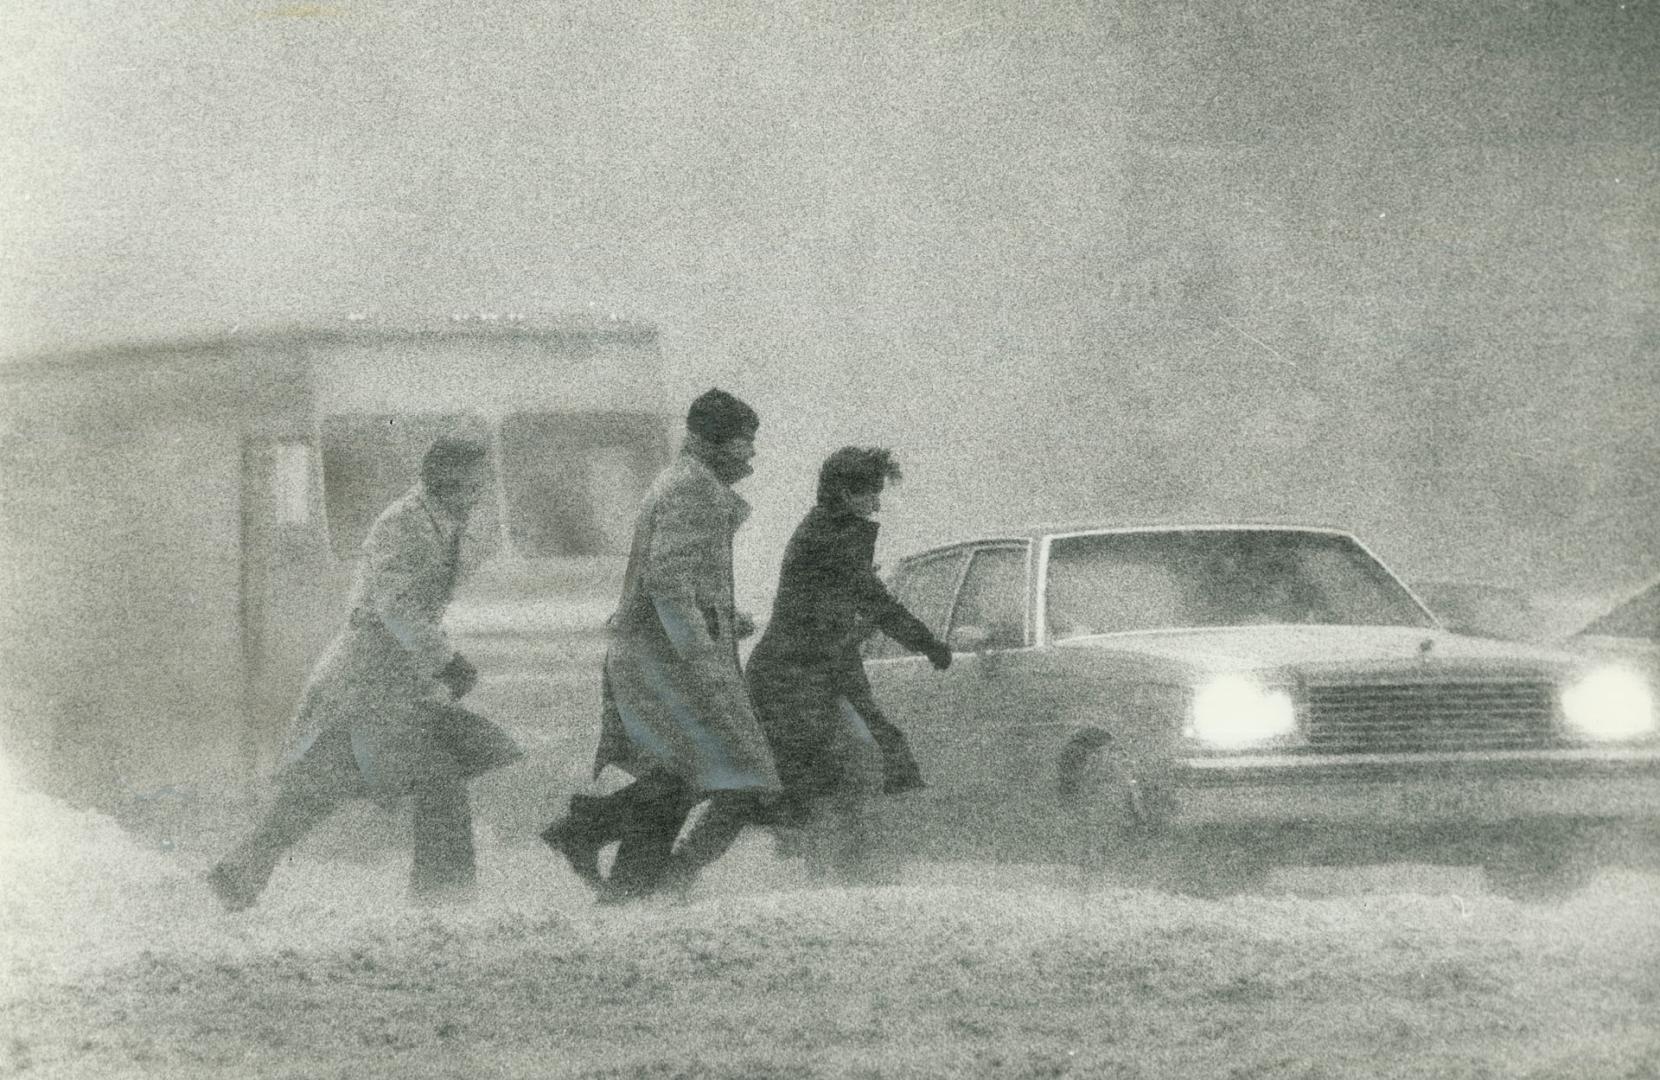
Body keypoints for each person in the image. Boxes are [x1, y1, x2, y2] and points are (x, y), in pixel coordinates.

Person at [207, 436, 522, 911]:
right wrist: (446, 661)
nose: (483, 491)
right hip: (368, 680)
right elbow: (393, 605)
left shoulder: (443, 524)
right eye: (477, 481)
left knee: (325, 782)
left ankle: (242, 870)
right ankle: (444, 899)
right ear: (452, 481)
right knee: (434, 774)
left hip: (390, 681)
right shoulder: (404, 524)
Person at [541, 389, 781, 902]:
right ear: (711, 441)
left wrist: (722, 617)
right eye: (745, 443)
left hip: (659, 655)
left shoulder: (686, 483)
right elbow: (668, 583)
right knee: (726, 773)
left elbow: (677, 579)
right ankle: (610, 852)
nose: (751, 455)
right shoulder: (693, 489)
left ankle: (623, 877)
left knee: (684, 774)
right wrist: (703, 654)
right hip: (668, 662)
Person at [745, 447, 952, 880]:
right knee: (829, 772)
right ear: (843, 492)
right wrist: (929, 644)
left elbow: (847, 609)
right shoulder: (828, 539)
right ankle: (841, 875)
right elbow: (875, 602)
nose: (876, 503)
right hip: (794, 679)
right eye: (870, 493)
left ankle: (846, 872)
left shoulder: (832, 533)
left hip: (811, 675)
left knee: (841, 769)